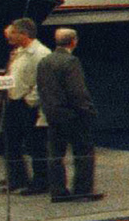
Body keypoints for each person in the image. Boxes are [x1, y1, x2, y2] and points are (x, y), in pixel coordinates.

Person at [34, 26, 99, 202]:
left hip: (53, 115)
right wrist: (87, 110)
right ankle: (82, 190)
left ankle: (58, 191)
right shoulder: (71, 62)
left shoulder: (44, 61)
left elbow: (41, 88)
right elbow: (77, 91)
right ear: (73, 41)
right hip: (73, 115)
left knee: (55, 154)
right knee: (83, 153)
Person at [0, 17, 55, 197]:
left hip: (28, 105)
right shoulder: (20, 52)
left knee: (35, 145)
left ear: (24, 33)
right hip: (13, 102)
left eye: (13, 32)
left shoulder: (40, 53)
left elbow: (43, 81)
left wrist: (30, 101)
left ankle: (41, 182)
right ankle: (17, 179)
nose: (9, 36)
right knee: (10, 142)